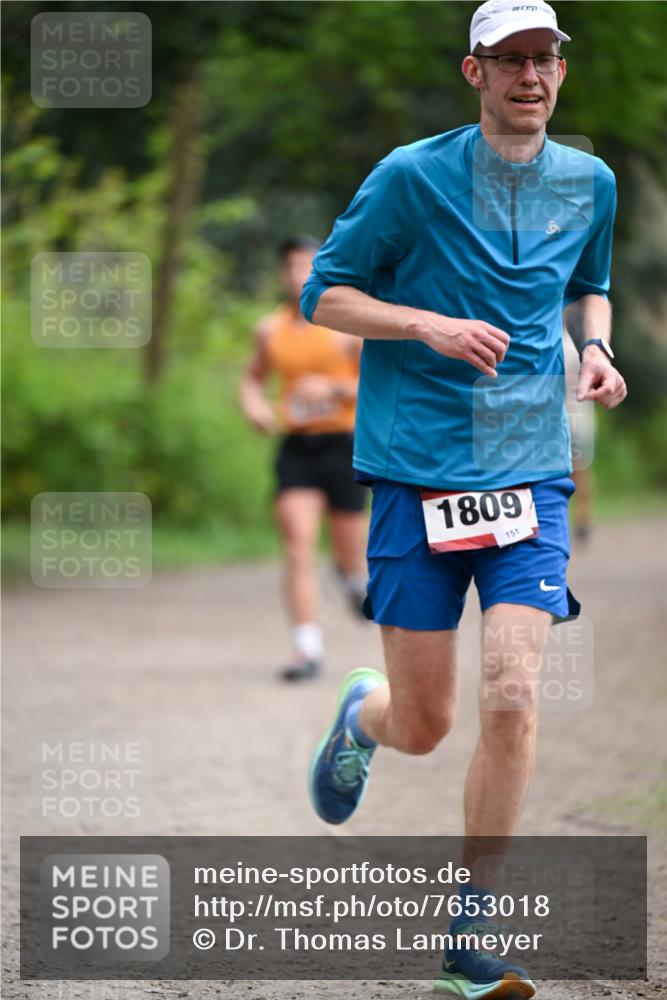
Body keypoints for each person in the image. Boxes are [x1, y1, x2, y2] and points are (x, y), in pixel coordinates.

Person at [302, 1, 627, 996]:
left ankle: (470, 928)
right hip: (415, 468)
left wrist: (600, 345)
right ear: (473, 72)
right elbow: (326, 294)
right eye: (510, 60)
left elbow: (588, 282)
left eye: (546, 59)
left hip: (528, 468)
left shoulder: (589, 181)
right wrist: (426, 326)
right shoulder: (410, 175)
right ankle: (366, 714)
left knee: (514, 691)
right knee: (429, 721)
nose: (531, 75)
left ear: (561, 73)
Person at [239, 237, 368, 683]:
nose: (299, 275)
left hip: (345, 446)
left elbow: (380, 385)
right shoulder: (269, 330)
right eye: (292, 266)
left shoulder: (348, 329)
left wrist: (332, 389)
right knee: (298, 545)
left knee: (350, 555)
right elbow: (253, 379)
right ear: (283, 273)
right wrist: (254, 405)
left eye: (308, 266)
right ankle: (306, 648)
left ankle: (352, 581)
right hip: (296, 449)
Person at [563, 328, 596, 543]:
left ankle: (583, 518)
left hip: (575, 415)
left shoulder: (573, 344)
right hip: (568, 416)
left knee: (579, 471)